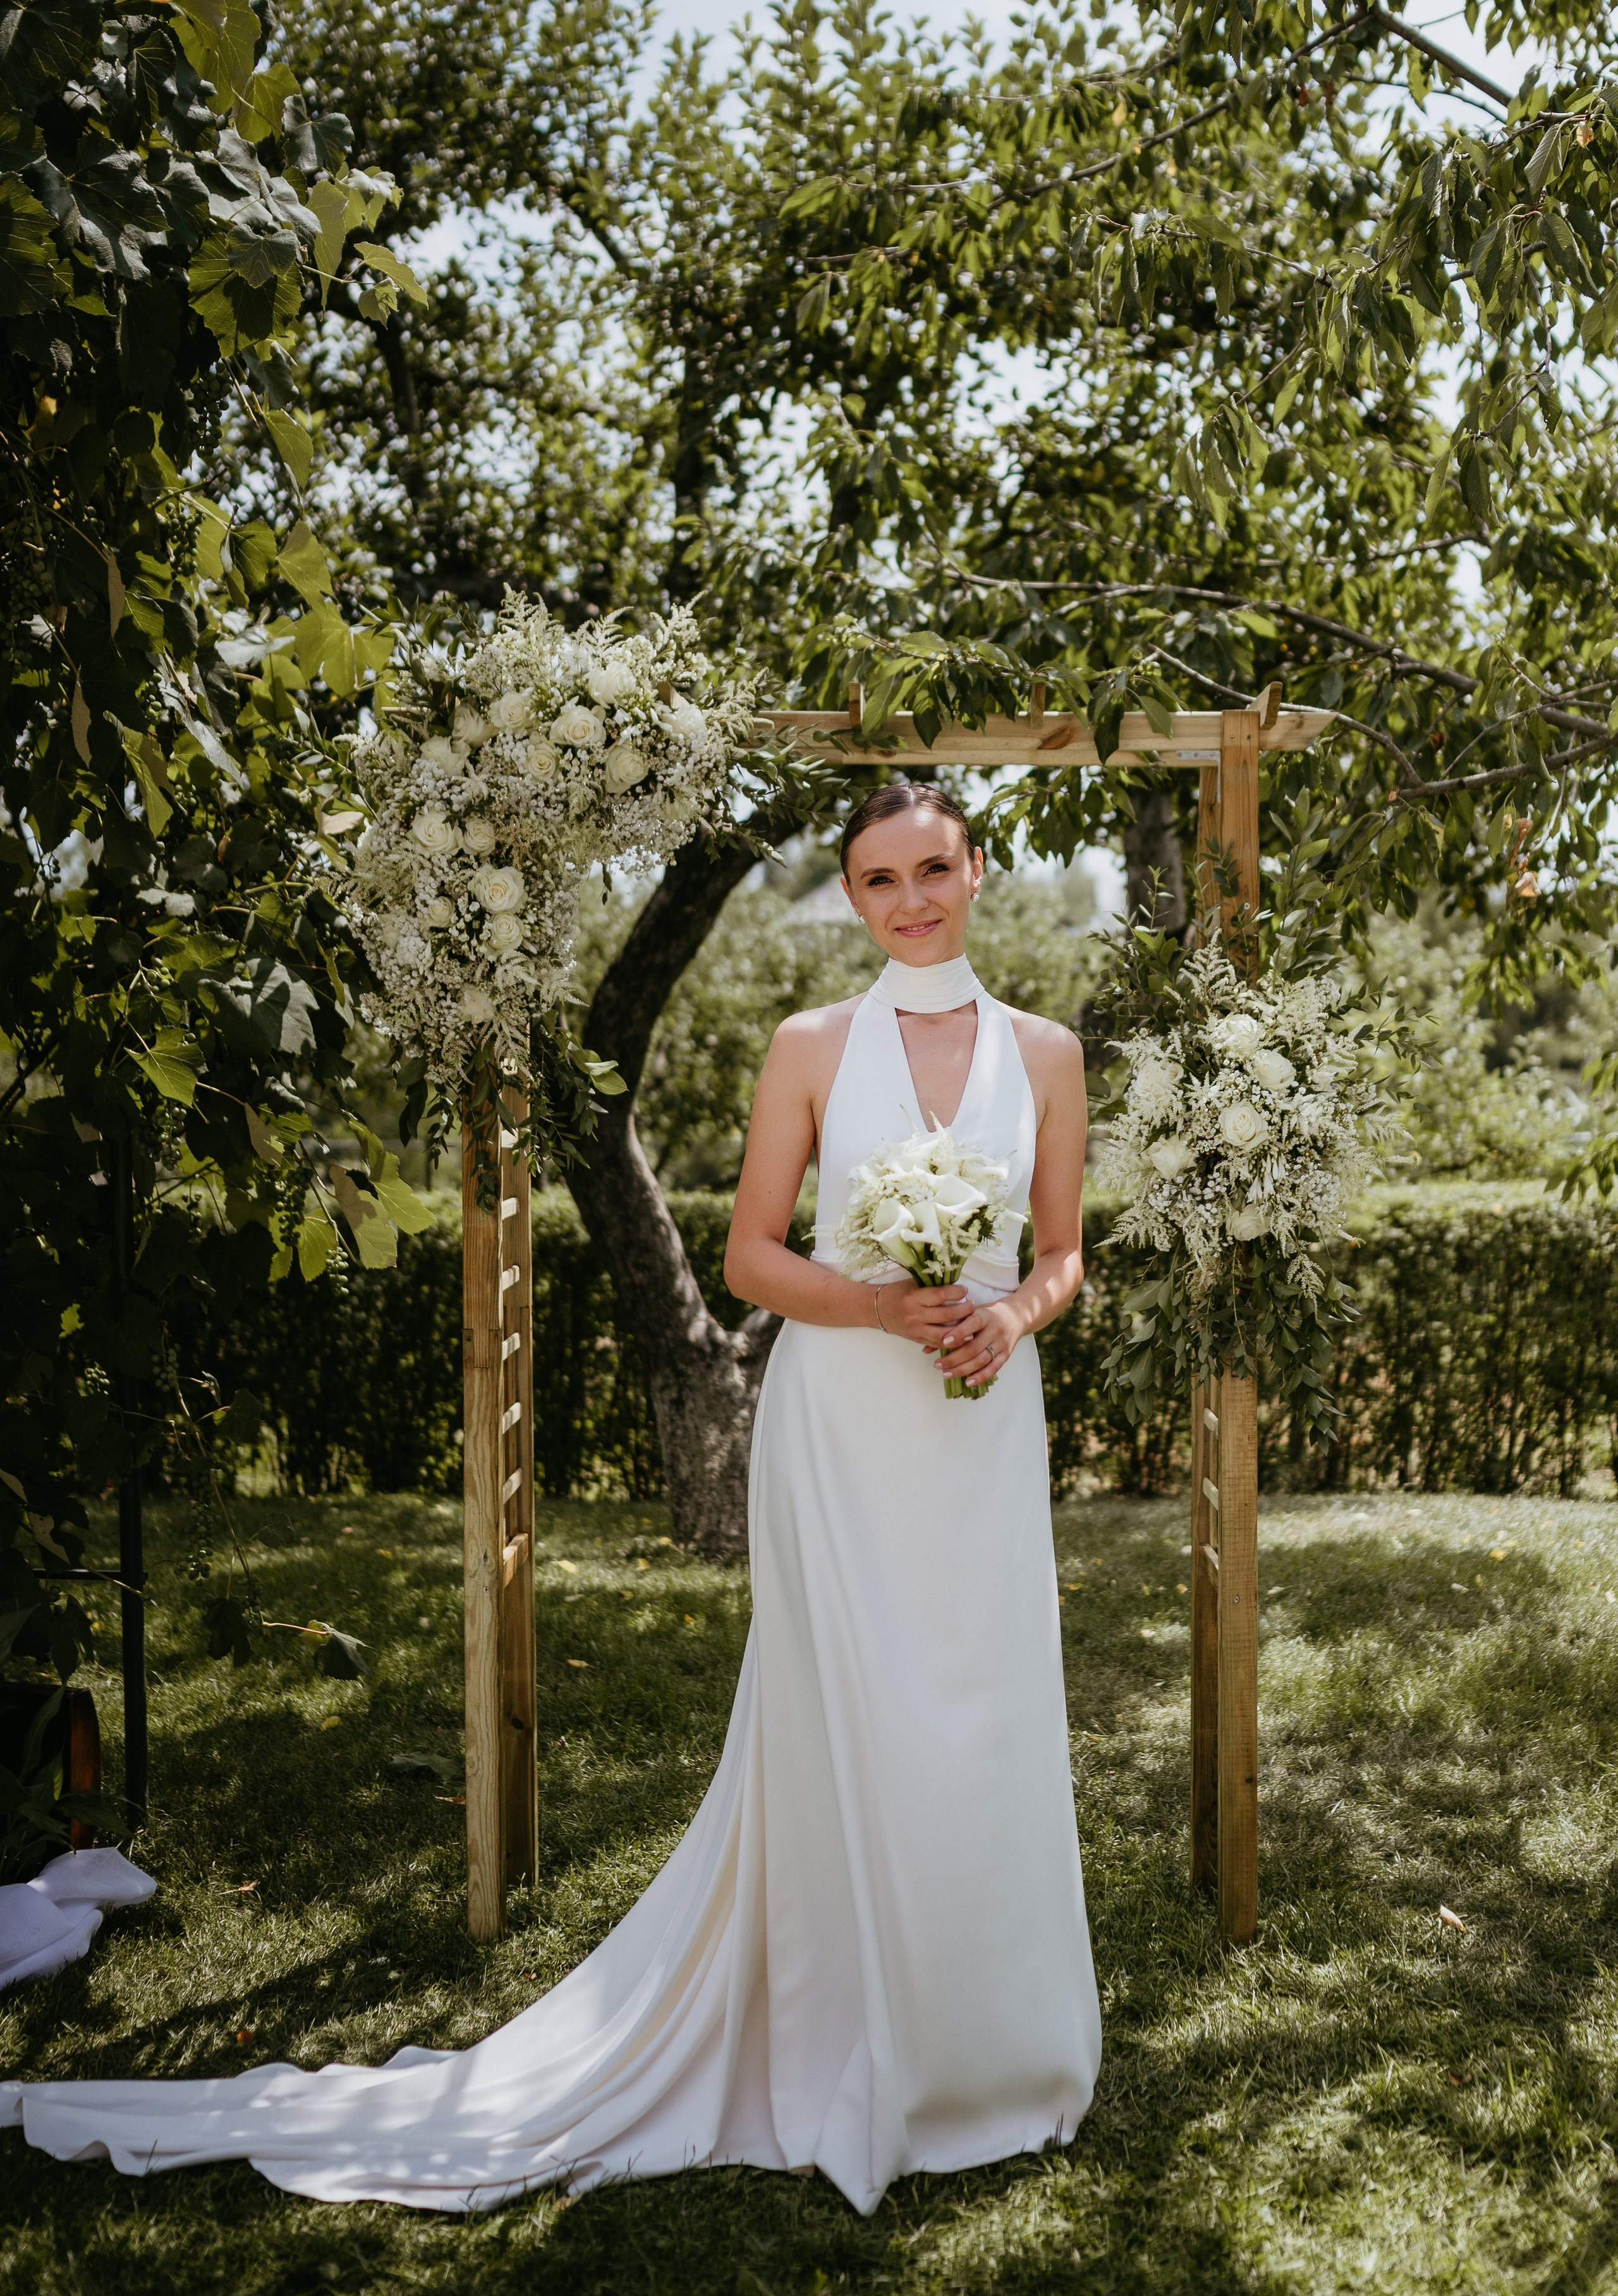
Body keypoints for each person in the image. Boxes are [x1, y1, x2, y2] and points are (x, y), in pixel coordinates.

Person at [3, 780, 1101, 2214]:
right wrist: (880, 1309)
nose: (908, 900)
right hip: (843, 1422)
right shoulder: (809, 1044)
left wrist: (1009, 1318)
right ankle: (857, 2035)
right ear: (850, 895)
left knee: (988, 1710)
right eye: (877, 878)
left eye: (932, 869)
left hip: (978, 1423)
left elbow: (1064, 1252)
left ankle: (1001, 2049)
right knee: (856, 1712)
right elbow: (751, 1262)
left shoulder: (1048, 1052)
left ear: (974, 870)